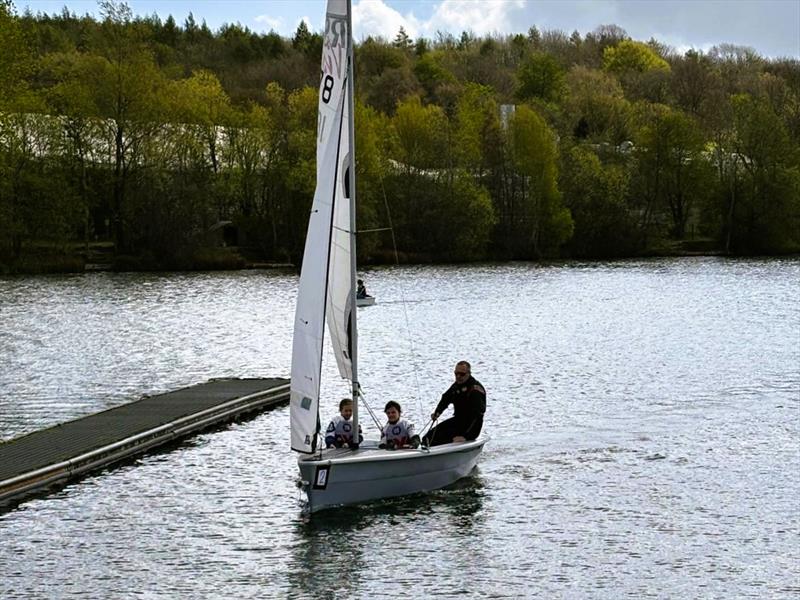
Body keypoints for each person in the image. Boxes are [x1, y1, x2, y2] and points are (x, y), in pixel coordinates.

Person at [423, 361, 485, 446]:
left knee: (449, 440)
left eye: (462, 374)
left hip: (471, 426)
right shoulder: (456, 386)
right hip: (458, 420)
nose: (458, 376)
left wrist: (466, 437)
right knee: (427, 439)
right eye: (456, 374)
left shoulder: (475, 390)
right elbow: (445, 399)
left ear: (468, 374)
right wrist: (437, 412)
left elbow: (478, 415)